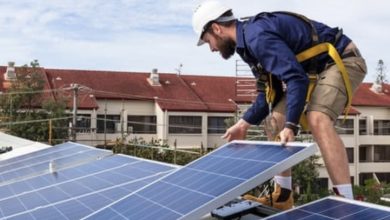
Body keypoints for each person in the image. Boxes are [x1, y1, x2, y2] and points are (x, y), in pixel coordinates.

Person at [192, 0, 367, 210]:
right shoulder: (246, 44)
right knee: (275, 121)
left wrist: (291, 125)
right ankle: (283, 196)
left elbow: (296, 79)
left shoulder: (257, 37)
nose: (211, 48)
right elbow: (268, 95)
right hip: (312, 70)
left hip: (343, 59)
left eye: (208, 40)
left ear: (217, 28)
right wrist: (243, 124)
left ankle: (346, 202)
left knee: (317, 118)